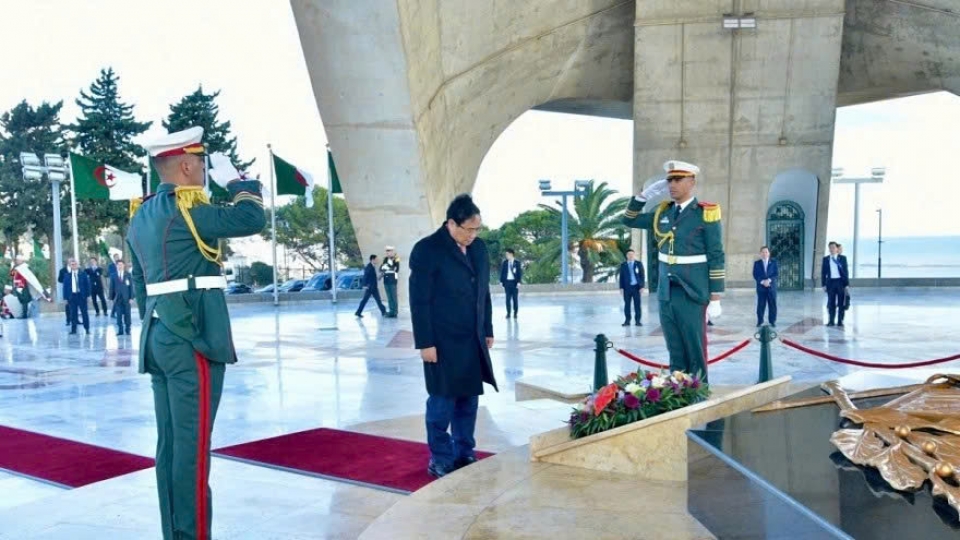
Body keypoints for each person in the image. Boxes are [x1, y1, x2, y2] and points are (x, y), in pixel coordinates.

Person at [129, 126, 265, 540]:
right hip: (191, 339)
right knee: (191, 453)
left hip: (158, 335)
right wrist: (240, 182)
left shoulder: (141, 214)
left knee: (171, 448)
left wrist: (160, 320)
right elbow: (251, 217)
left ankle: (176, 534)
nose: (206, 172)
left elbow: (138, 282)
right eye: (204, 165)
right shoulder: (185, 210)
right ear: (186, 165)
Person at [409, 194, 497, 478]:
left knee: (469, 400)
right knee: (441, 403)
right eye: (468, 229)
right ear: (451, 223)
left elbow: (484, 292)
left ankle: (465, 452)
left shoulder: (479, 249)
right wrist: (425, 342)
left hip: (472, 338)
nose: (473, 235)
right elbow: (419, 300)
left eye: (477, 229)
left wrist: (487, 329)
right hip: (442, 340)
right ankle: (440, 457)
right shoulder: (427, 250)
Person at [621, 160, 725, 382]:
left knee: (694, 347)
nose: (672, 184)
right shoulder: (662, 213)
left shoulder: (705, 213)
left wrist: (715, 296)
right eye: (669, 180)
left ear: (692, 181)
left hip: (693, 290)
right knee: (675, 347)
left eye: (678, 179)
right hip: (666, 290)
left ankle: (698, 391)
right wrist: (642, 197)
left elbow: (716, 254)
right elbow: (627, 220)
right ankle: (678, 390)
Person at [821, 241, 849, 327]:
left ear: (837, 249)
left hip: (840, 282)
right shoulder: (826, 259)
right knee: (831, 303)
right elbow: (823, 273)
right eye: (830, 247)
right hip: (831, 283)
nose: (832, 249)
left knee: (841, 303)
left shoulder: (842, 258)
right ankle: (831, 321)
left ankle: (840, 321)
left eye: (833, 247)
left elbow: (846, 272)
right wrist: (823, 284)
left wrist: (847, 284)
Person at [62, 258, 91, 335]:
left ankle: (87, 329)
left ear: (78, 265)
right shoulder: (67, 275)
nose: (74, 266)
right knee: (73, 314)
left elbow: (87, 285)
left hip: (81, 296)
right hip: (72, 296)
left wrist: (88, 295)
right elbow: (65, 287)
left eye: (75, 264)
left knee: (84, 313)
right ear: (70, 266)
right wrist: (65, 298)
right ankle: (73, 329)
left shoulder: (83, 274)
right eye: (72, 264)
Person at [618, 249, 645, 326]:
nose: (630, 256)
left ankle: (638, 321)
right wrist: (621, 288)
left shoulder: (638, 264)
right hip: (627, 288)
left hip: (636, 288)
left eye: (632, 254)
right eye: (629, 254)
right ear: (626, 256)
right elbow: (621, 277)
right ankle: (627, 321)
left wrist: (642, 286)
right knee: (627, 305)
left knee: (637, 305)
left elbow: (642, 276)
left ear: (634, 255)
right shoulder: (623, 265)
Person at [752, 246, 778, 327]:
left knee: (772, 305)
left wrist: (769, 280)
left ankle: (772, 321)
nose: (764, 254)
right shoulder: (757, 263)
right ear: (760, 253)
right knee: (761, 305)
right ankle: (760, 321)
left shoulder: (774, 262)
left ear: (769, 253)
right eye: (763, 252)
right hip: (761, 288)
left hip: (771, 287)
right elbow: (755, 274)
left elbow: (776, 274)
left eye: (766, 252)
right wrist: (763, 282)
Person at [110, 260, 134, 335]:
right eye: (118, 265)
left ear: (124, 265)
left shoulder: (128, 275)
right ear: (116, 266)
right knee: (119, 315)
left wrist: (131, 298)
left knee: (127, 315)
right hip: (117, 299)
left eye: (121, 264)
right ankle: (120, 330)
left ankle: (128, 330)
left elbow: (131, 287)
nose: (120, 266)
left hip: (127, 298)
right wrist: (111, 298)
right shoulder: (113, 275)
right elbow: (111, 287)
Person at [499, 248, 522, 319]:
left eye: (507, 254)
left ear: (511, 254)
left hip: (514, 283)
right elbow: (502, 272)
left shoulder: (517, 263)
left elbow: (519, 273)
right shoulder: (505, 262)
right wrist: (501, 281)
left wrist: (519, 282)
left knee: (515, 299)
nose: (506, 256)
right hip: (507, 283)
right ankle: (508, 313)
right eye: (506, 254)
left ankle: (515, 313)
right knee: (507, 299)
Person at [380, 246, 400, 318]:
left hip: (392, 280)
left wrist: (386, 267)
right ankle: (391, 311)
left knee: (393, 297)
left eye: (389, 251)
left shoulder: (396, 258)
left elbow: (397, 269)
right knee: (389, 297)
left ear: (392, 252)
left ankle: (395, 312)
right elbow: (381, 268)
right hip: (386, 280)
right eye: (387, 252)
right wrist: (388, 267)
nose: (388, 253)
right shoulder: (385, 259)